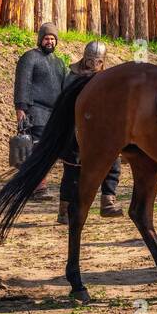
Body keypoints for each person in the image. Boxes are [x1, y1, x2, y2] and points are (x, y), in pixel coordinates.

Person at [57, 40, 122, 223]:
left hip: (101, 131)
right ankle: (64, 211)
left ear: (103, 61)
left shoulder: (106, 78)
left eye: (98, 61)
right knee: (73, 171)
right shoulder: (72, 77)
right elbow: (65, 106)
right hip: (75, 130)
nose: (94, 65)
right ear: (84, 59)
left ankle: (108, 201)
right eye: (91, 61)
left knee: (113, 163)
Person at [14, 22, 69, 198]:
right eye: (47, 38)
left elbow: (66, 87)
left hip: (54, 114)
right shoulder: (30, 58)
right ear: (40, 40)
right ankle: (39, 186)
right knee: (38, 148)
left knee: (49, 149)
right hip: (35, 110)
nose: (50, 42)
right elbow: (23, 83)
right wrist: (21, 109)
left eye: (53, 39)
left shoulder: (59, 63)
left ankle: (31, 183)